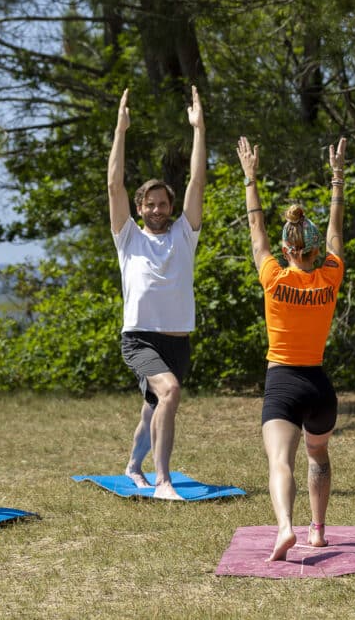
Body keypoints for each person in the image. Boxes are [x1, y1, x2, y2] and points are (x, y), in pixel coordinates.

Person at [236, 134, 347, 561]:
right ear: (315, 250)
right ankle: (317, 531)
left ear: (286, 250)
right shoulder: (329, 276)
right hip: (319, 386)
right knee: (318, 456)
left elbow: (256, 231)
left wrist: (250, 177)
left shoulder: (274, 276)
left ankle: (286, 527)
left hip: (282, 382)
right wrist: (337, 179)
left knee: (280, 461)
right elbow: (336, 233)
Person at [108, 86, 206, 501]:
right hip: (140, 338)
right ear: (140, 208)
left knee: (154, 405)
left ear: (171, 207)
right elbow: (114, 184)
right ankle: (163, 482)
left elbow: (198, 181)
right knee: (169, 392)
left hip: (177, 341)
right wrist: (120, 131)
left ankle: (134, 466)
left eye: (163, 203)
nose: (157, 209)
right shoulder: (128, 237)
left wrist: (199, 129)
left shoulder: (185, 234)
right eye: (149, 204)